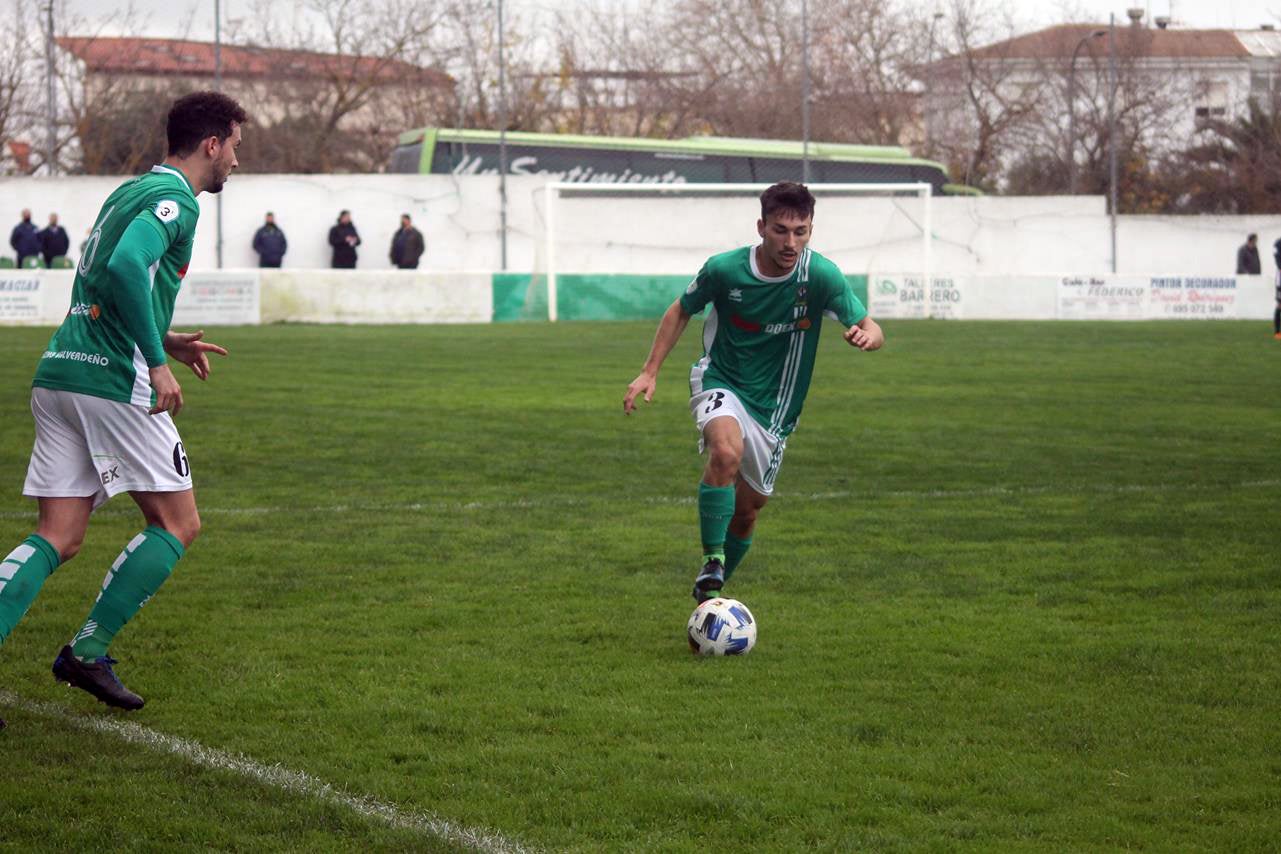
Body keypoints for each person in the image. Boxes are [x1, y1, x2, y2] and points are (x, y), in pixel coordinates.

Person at [0, 91, 245, 723]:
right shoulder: (180, 201)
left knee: (58, 535)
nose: (236, 163)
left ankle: (82, 654)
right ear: (211, 144)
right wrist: (155, 361)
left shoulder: (125, 193)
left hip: (60, 373)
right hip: (114, 383)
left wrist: (165, 337)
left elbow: (108, 276)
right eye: (235, 148)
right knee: (178, 524)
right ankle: (88, 650)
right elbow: (130, 263)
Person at [623, 182, 884, 602]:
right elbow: (681, 309)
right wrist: (649, 371)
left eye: (801, 231)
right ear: (761, 226)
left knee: (747, 512)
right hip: (721, 379)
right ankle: (712, 558)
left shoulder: (819, 275)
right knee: (725, 452)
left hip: (777, 409)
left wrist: (868, 338)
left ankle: (712, 596)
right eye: (781, 230)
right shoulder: (725, 270)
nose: (790, 241)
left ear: (811, 230)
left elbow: (872, 326)